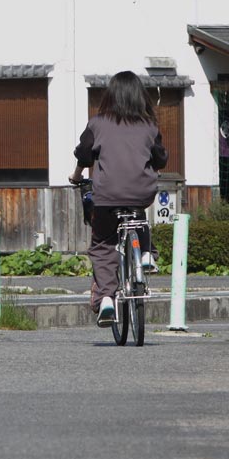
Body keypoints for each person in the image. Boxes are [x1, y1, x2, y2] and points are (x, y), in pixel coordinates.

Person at [70, 70, 168, 328]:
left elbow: (83, 155)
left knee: (102, 245)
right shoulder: (149, 126)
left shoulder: (98, 123)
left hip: (107, 195)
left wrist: (76, 175)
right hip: (141, 192)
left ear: (110, 95)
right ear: (140, 96)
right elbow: (161, 159)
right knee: (137, 213)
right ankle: (146, 254)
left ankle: (105, 299)